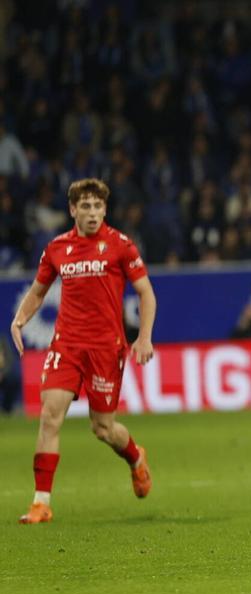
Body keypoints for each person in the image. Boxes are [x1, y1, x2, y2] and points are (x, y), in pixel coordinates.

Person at [9, 178, 157, 524]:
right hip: (67, 346)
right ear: (72, 209)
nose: (92, 213)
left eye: (98, 207)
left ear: (105, 209)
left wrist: (144, 336)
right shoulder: (57, 249)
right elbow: (37, 291)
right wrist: (19, 320)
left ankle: (135, 457)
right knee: (49, 415)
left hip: (106, 349)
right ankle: (41, 503)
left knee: (103, 429)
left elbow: (146, 293)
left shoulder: (121, 246)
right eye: (86, 207)